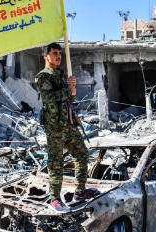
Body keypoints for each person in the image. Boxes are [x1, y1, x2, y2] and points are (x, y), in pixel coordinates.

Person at [35, 42, 98, 212]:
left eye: (60, 53)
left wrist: (73, 91)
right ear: (46, 56)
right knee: (56, 163)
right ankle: (54, 199)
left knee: (82, 155)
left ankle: (80, 191)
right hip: (54, 126)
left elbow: (69, 101)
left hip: (69, 124)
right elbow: (49, 99)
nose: (58, 56)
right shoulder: (42, 77)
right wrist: (67, 89)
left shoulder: (62, 74)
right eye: (54, 53)